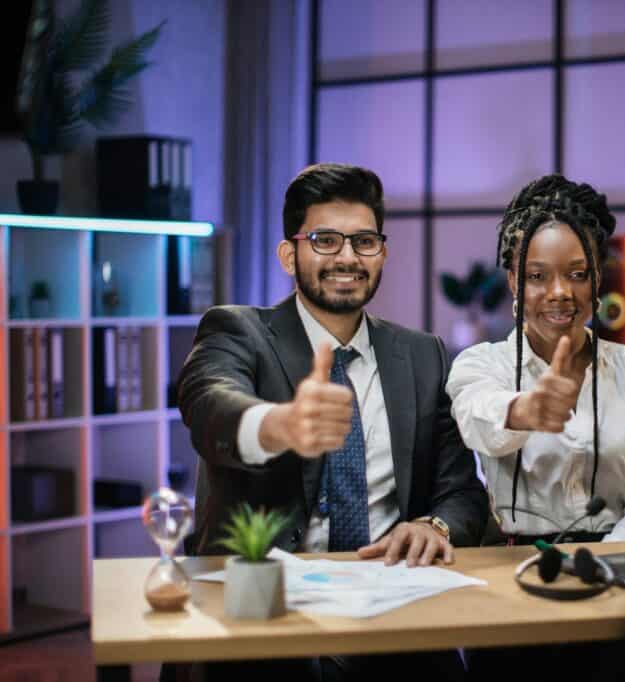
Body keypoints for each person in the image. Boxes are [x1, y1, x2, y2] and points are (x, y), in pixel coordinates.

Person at [175, 162, 488, 681]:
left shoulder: (424, 355)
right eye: (324, 240)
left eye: (364, 241)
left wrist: (433, 526)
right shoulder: (239, 331)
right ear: (288, 254)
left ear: (382, 252)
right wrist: (279, 424)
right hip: (269, 621)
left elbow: (462, 492)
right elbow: (206, 403)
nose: (347, 257)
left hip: (395, 618)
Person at [446, 174, 625, 682]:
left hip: (622, 581)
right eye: (538, 275)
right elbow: (480, 419)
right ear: (514, 281)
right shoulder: (481, 365)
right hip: (518, 586)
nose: (560, 292)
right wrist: (527, 410)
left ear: (596, 280)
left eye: (577, 273)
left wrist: (599, 569)